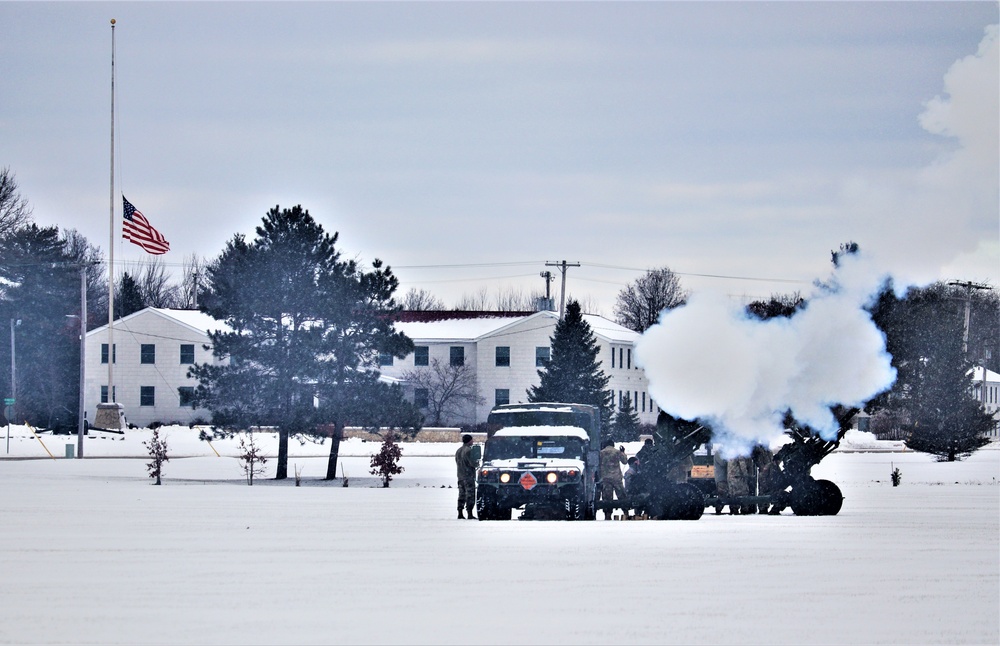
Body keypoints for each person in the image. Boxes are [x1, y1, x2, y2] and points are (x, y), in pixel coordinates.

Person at [599, 439, 628, 519]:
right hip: (616, 477)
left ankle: (607, 514)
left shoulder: (601, 453)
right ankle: (625, 512)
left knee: (607, 497)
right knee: (622, 496)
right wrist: (623, 452)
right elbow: (625, 461)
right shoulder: (617, 452)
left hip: (605, 478)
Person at [455, 434, 479, 519]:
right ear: (469, 441)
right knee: (470, 495)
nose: (473, 441)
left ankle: (460, 512)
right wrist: (477, 463)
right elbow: (472, 463)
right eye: (472, 440)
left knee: (461, 495)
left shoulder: (458, 450)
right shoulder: (468, 451)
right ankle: (469, 513)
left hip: (460, 476)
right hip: (468, 476)